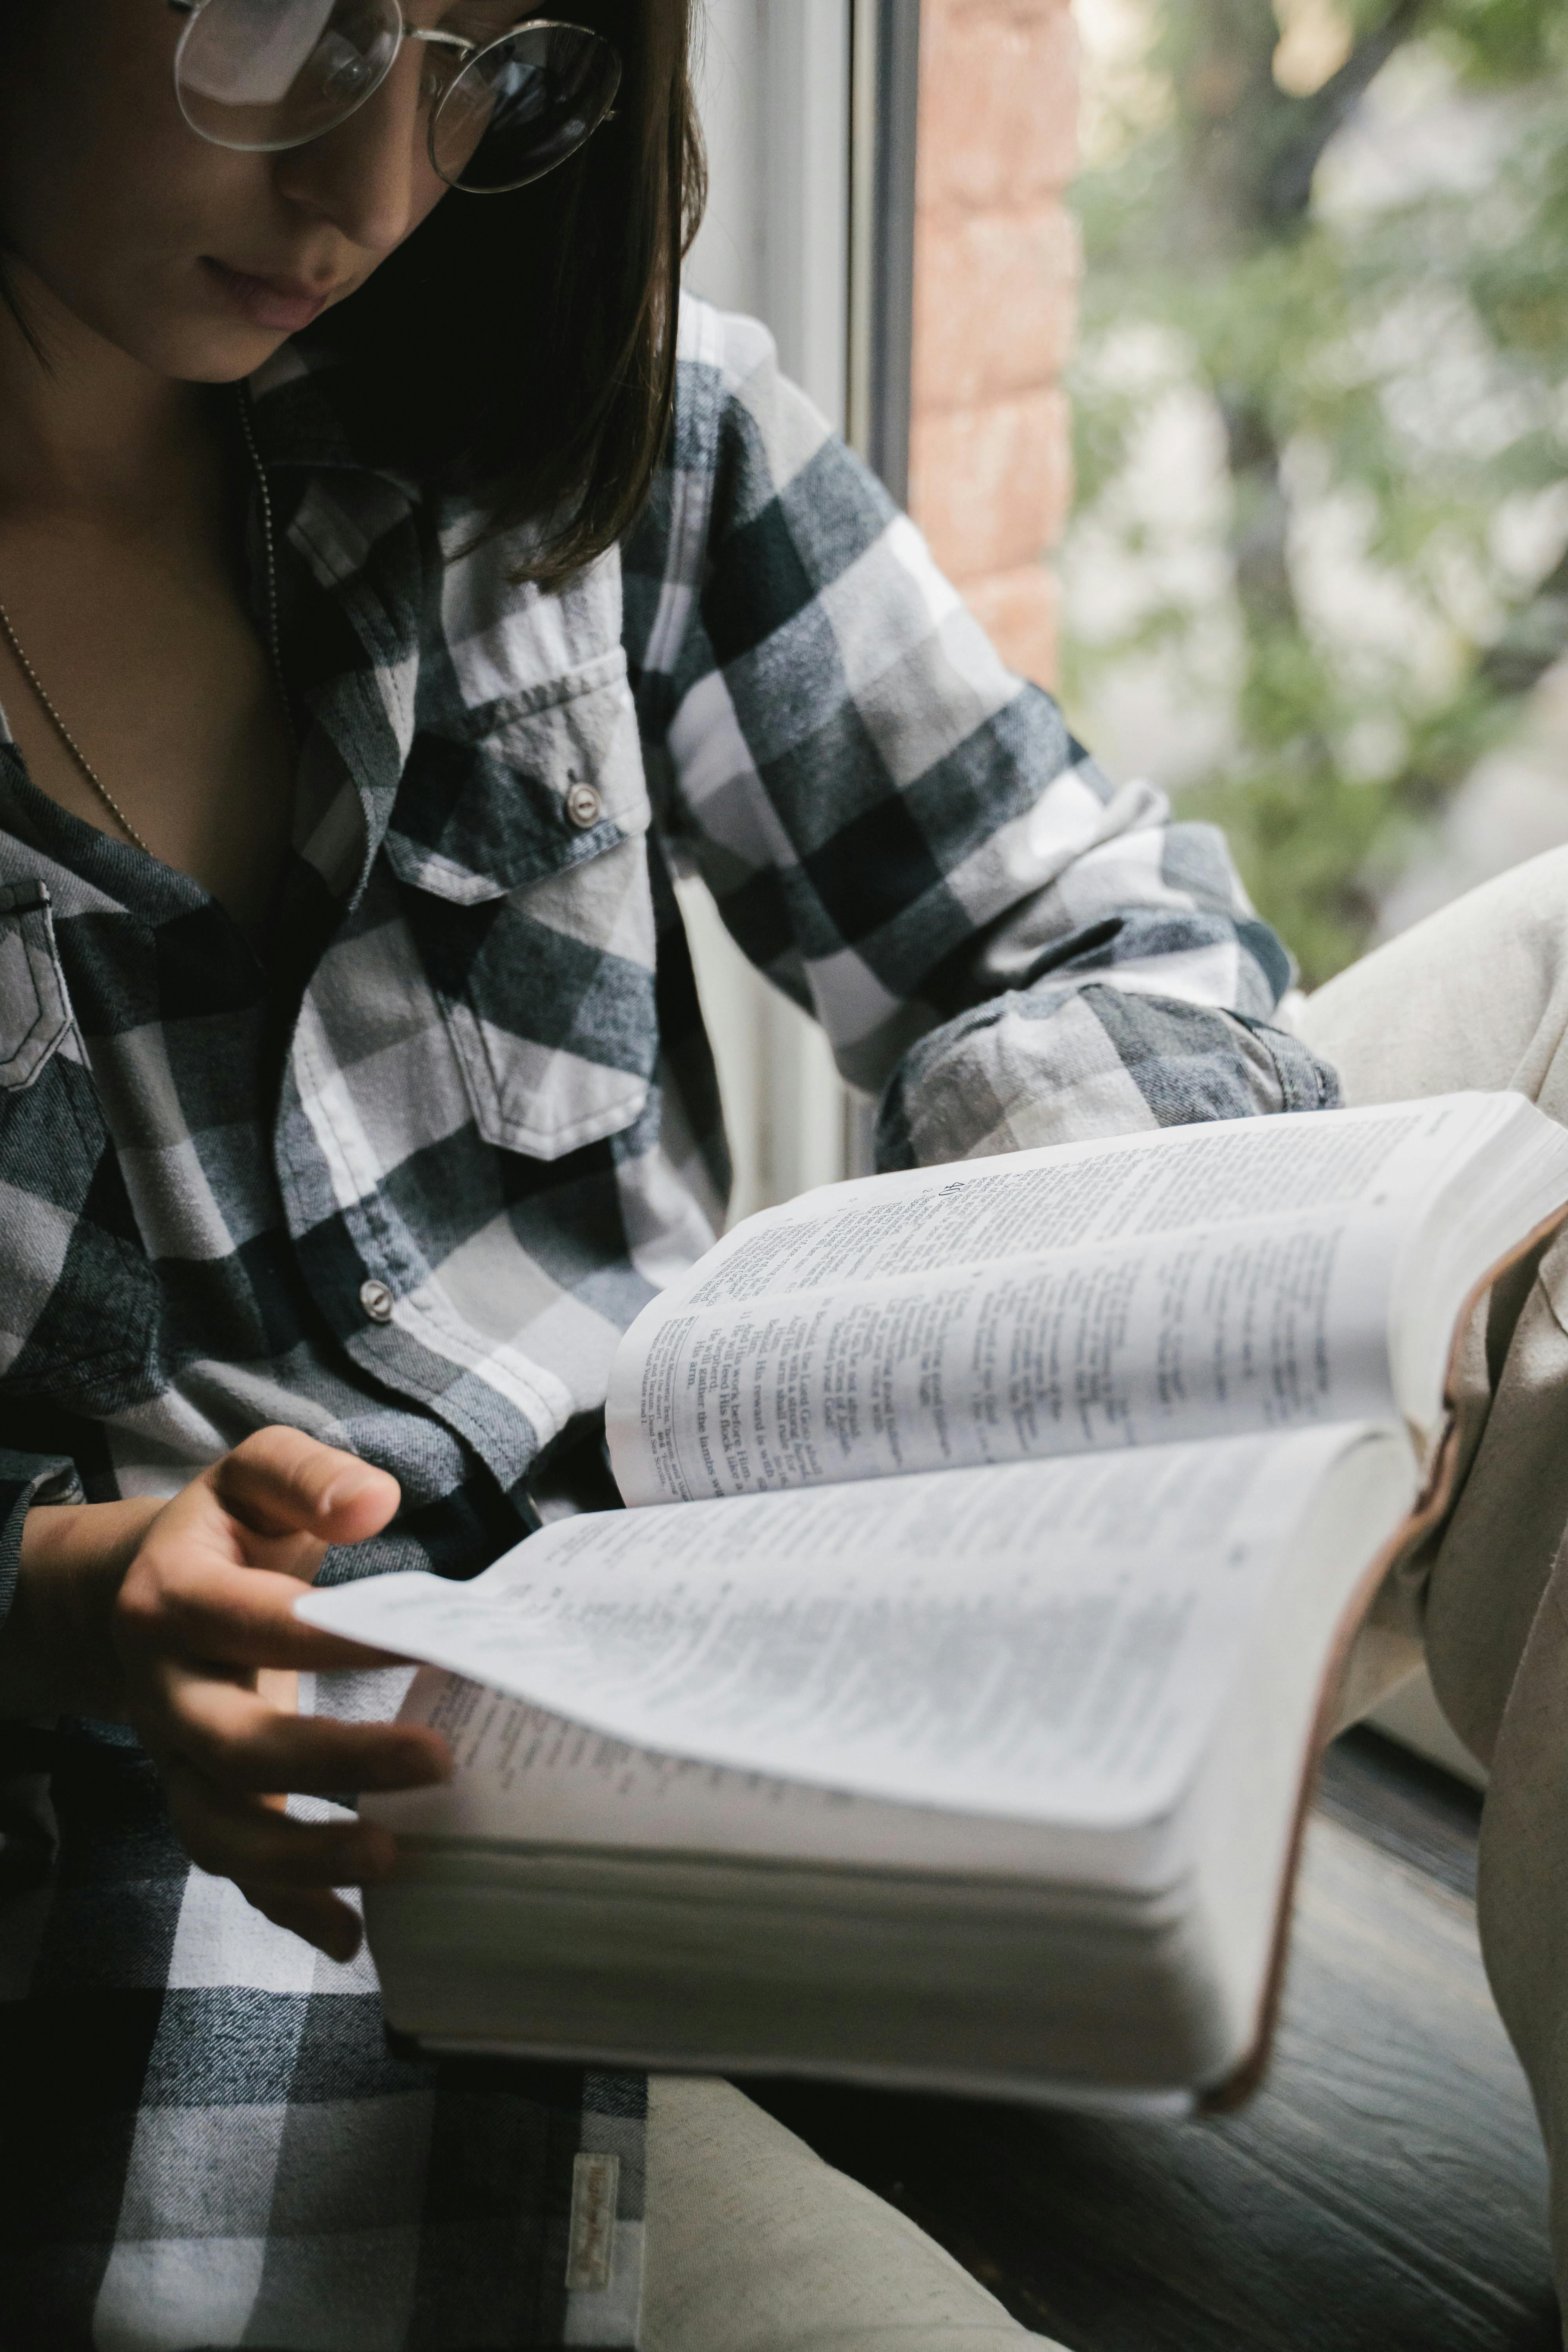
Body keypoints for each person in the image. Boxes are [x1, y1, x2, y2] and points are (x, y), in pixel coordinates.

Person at [0, 0, 1366, 2346]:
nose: (374, 183)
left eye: (480, 57)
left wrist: (994, 1302)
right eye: (280, 28)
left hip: (817, 1675)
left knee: (1524, 1121)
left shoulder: (574, 427)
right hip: (304, 1940)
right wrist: (65, 1597)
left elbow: (1096, 919)